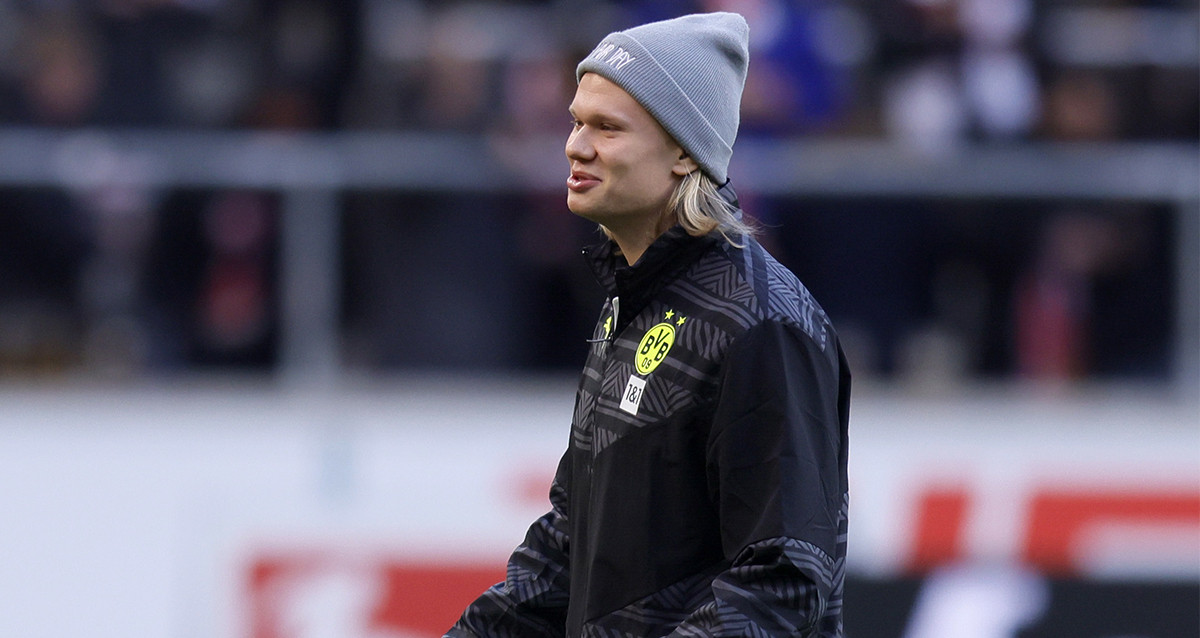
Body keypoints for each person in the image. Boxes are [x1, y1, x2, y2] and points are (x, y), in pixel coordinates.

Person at [445, 12, 851, 637]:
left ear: (686, 152)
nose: (575, 145)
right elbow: (568, 552)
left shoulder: (762, 323)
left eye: (607, 127)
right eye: (577, 120)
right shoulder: (628, 301)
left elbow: (781, 583)